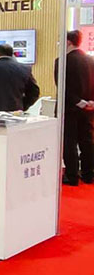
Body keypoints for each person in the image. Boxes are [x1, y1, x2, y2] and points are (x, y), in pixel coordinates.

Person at [55, 30, 94, 185]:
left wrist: (78, 101)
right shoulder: (90, 60)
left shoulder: (62, 61)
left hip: (69, 108)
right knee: (87, 141)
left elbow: (62, 87)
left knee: (69, 142)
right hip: (89, 109)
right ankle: (88, 174)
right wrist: (90, 102)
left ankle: (72, 176)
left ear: (68, 42)